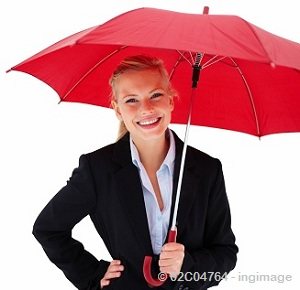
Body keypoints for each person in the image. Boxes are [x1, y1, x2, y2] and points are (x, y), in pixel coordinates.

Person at [33, 55, 238, 290]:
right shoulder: (98, 169)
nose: (146, 109)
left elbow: (225, 254)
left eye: (156, 95)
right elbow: (48, 228)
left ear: (171, 100)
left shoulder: (206, 170)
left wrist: (188, 266)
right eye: (131, 100)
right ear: (117, 109)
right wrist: (92, 274)